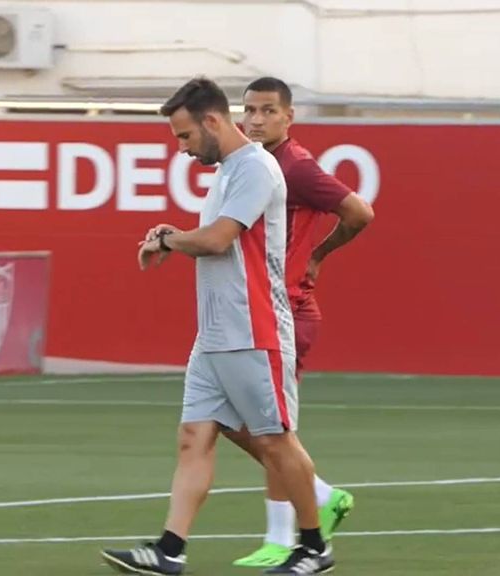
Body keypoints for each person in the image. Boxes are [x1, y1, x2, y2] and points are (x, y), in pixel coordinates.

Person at [100, 76, 335, 576]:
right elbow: (209, 239)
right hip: (214, 335)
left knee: (274, 440)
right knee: (194, 436)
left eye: (185, 136)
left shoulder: (256, 168)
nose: (182, 148)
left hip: (254, 329)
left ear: (211, 121)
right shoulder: (229, 171)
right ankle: (170, 550)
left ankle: (315, 548)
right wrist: (173, 235)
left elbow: (217, 240)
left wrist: (171, 240)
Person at [226, 76, 375, 568]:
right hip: (260, 310)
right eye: (250, 110)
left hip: (287, 310)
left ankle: (280, 537)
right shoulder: (251, 163)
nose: (257, 119)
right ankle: (320, 495)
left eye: (269, 111)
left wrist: (318, 254)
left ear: (288, 117)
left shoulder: (296, 166)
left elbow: (359, 212)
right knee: (232, 420)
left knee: (269, 427)